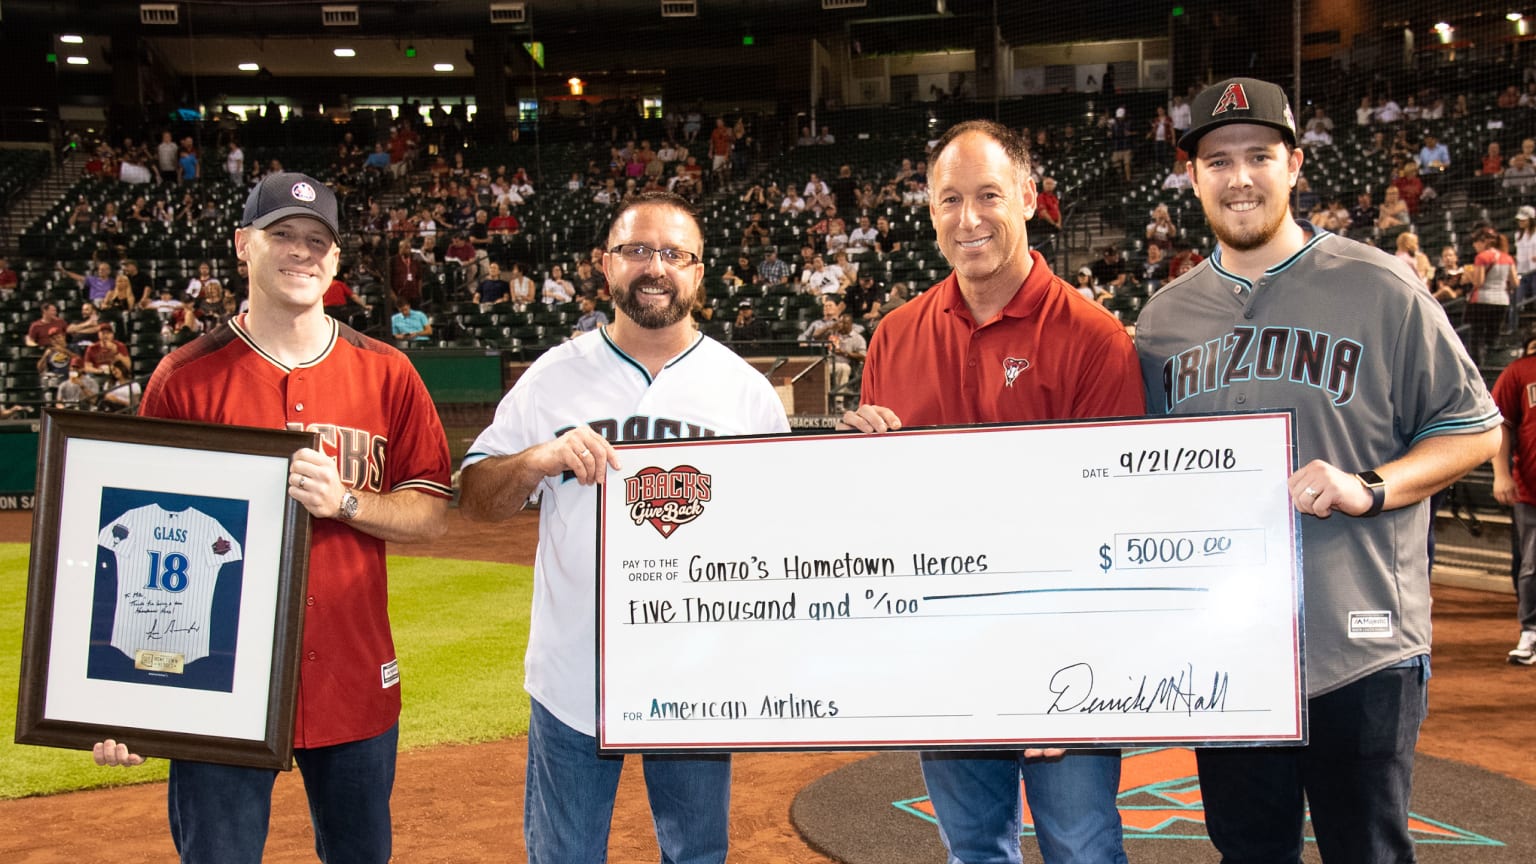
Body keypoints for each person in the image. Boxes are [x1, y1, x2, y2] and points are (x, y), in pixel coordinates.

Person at [1134, 77, 1501, 864]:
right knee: (1250, 852)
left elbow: (1473, 431)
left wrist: (1370, 489)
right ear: (1192, 176)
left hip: (1360, 643)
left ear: (1295, 165)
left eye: (1260, 155)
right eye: (1218, 160)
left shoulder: (1381, 284)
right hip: (1230, 648)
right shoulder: (1163, 320)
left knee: (1367, 852)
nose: (1240, 178)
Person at [92, 171, 452, 863]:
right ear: (242, 245)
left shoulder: (388, 373)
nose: (301, 252)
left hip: (352, 674)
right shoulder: (185, 376)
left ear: (338, 261)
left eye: (318, 240)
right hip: (214, 678)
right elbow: (138, 541)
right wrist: (127, 697)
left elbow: (432, 514)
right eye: (282, 234)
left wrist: (347, 501)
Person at [457, 190, 789, 864]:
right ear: (604, 265)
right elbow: (476, 499)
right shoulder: (553, 377)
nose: (654, 266)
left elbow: (783, 529)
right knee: (565, 856)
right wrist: (539, 458)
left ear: (699, 272)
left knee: (696, 854)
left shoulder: (743, 390)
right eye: (636, 250)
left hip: (696, 673)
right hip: (575, 676)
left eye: (673, 253)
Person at [841, 119, 1136, 864]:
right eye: (949, 200)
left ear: (1030, 198)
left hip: (1065, 652)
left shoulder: (1095, 337)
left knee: (1083, 849)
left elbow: (1120, 523)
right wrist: (860, 465)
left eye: (988, 196)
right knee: (974, 851)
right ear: (930, 210)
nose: (968, 219)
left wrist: (1077, 671)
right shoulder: (895, 336)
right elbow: (886, 515)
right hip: (947, 646)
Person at [1492, 332, 1536, 665]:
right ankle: (1531, 632)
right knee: (1531, 565)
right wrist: (1501, 473)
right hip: (1530, 488)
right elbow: (1500, 425)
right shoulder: (1519, 371)